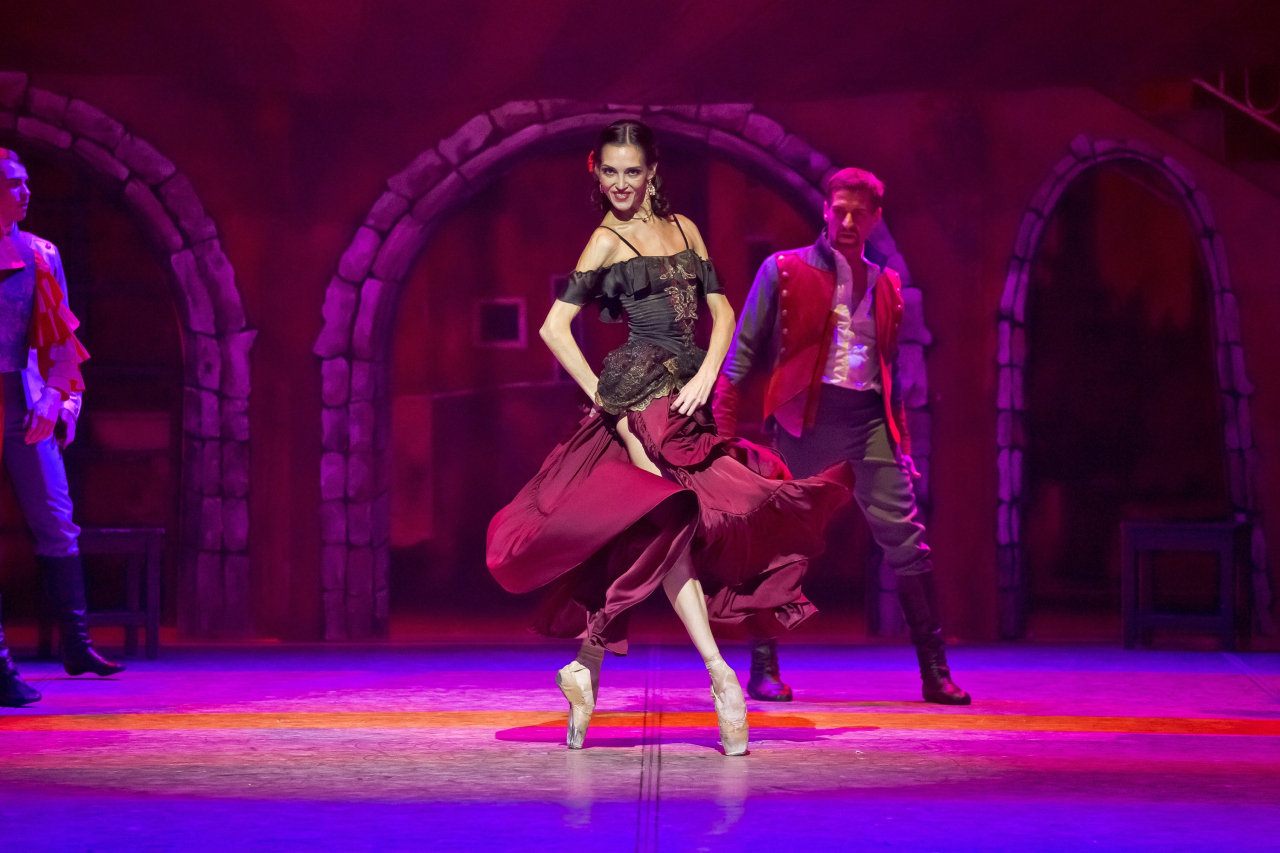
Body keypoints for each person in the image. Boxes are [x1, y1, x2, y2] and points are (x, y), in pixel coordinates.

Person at [487, 121, 852, 754]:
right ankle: (720, 677)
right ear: (598, 174)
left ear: (652, 172)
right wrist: (606, 398)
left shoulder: (685, 229)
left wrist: (709, 374)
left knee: (661, 533)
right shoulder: (606, 240)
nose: (620, 184)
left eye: (632, 171)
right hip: (639, 402)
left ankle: (585, 666)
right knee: (672, 517)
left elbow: (723, 312)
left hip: (689, 402)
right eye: (610, 172)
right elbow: (552, 328)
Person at [713, 167, 970, 705]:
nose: (848, 221)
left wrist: (901, 443)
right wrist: (722, 433)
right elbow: (741, 355)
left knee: (906, 540)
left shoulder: (888, 284)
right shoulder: (783, 270)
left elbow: (888, 372)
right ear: (826, 212)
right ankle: (763, 666)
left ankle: (935, 670)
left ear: (875, 219)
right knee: (777, 541)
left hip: (869, 423)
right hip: (804, 421)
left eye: (859, 213)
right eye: (840, 210)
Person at [0, 147, 118, 709]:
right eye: (12, 184)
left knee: (56, 517)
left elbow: (60, 337)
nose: (25, 192)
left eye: (25, 182)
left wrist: (57, 399)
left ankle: (77, 643)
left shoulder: (41, 253)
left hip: (25, 400)